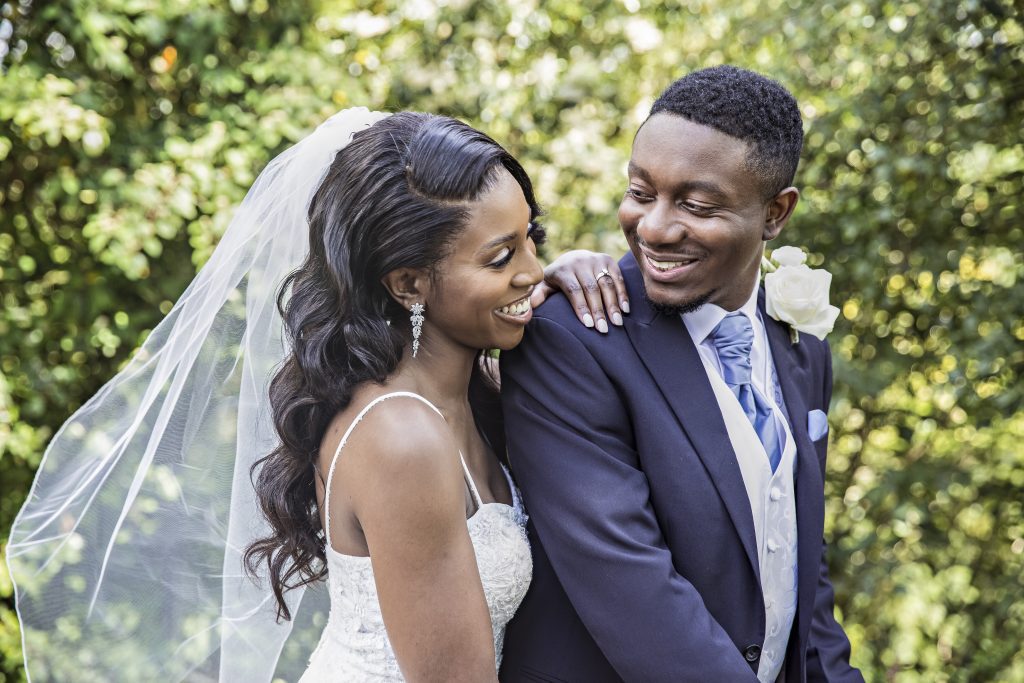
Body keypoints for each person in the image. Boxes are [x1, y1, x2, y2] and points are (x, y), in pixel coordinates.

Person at [6, 109, 627, 682]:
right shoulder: (400, 436)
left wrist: (579, 278)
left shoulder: (471, 393)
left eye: (531, 238)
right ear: (409, 283)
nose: (531, 270)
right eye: (500, 257)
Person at [499, 66, 864, 682]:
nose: (655, 229)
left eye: (696, 205)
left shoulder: (802, 348)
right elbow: (630, 586)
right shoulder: (569, 341)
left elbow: (799, 571)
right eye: (641, 193)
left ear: (775, 213)